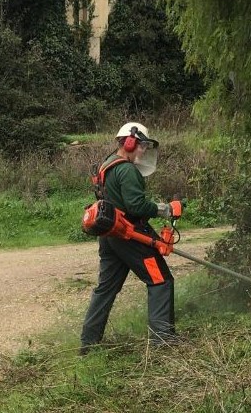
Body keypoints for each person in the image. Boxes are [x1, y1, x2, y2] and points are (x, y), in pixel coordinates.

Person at [80, 122, 182, 353]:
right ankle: (162, 341)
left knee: (105, 289)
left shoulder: (106, 165)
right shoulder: (126, 170)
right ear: (130, 142)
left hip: (109, 237)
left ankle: (88, 345)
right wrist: (166, 209)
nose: (144, 151)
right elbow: (136, 205)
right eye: (142, 145)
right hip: (130, 235)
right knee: (160, 281)